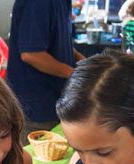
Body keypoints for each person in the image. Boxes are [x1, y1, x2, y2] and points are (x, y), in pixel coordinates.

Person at [7, 0, 85, 145]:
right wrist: (74, 74)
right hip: (34, 108)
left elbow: (61, 44)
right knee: (32, 161)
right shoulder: (37, 3)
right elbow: (31, 54)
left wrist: (87, 64)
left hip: (54, 101)